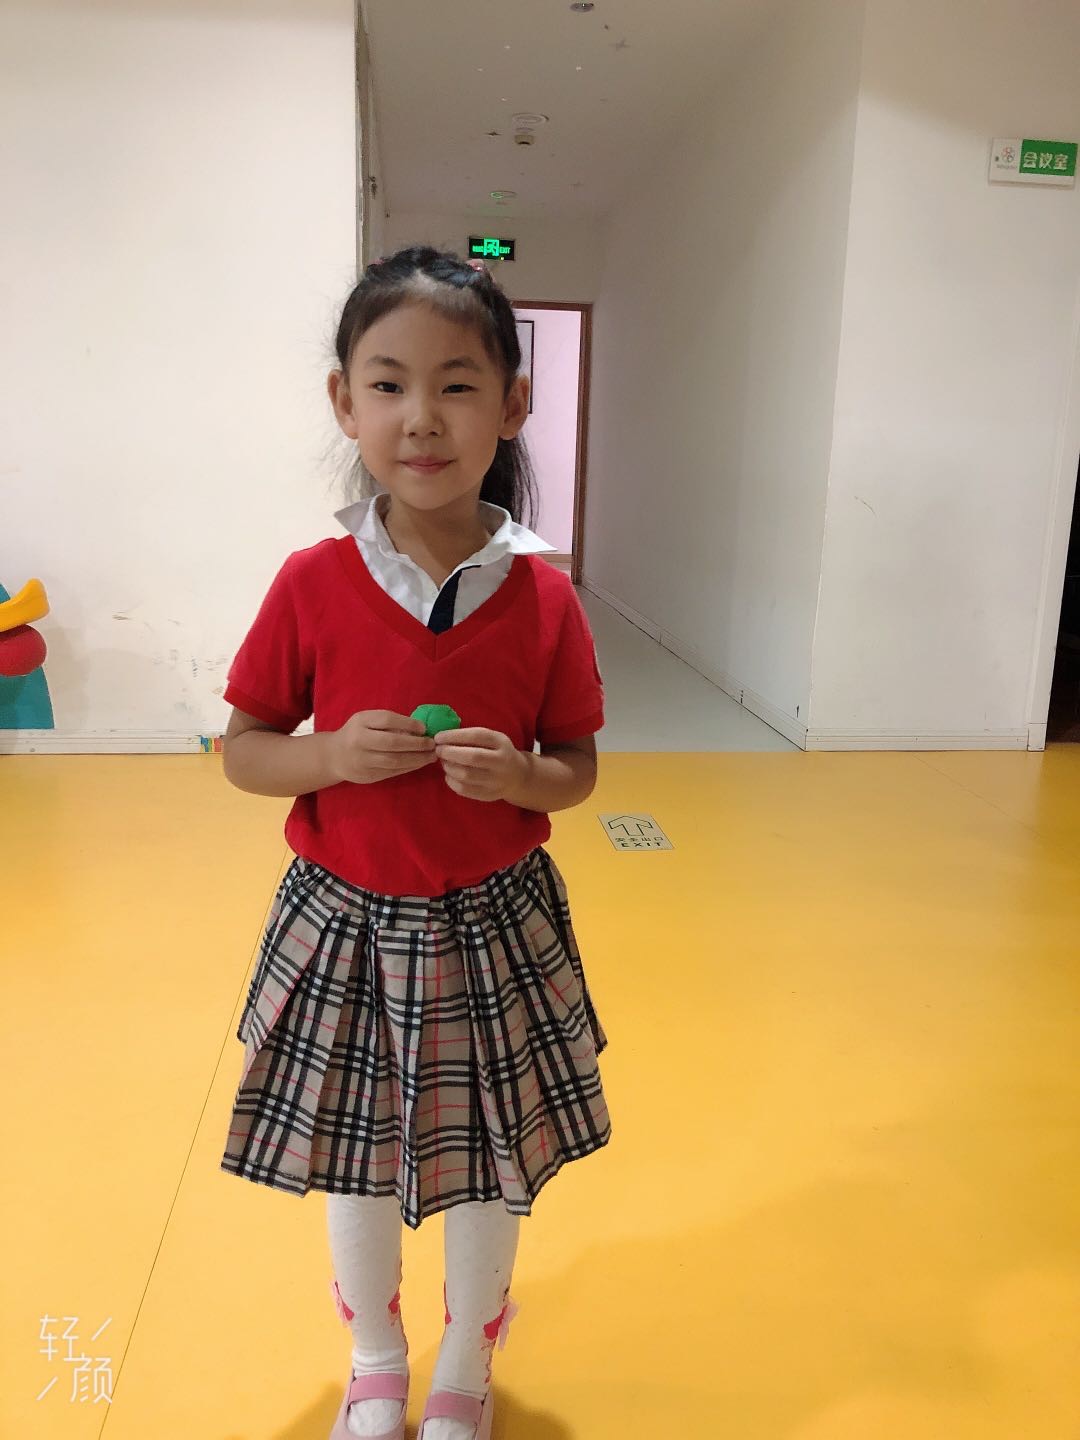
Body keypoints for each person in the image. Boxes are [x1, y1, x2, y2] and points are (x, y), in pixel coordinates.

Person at [218, 246, 612, 1440]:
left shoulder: (545, 597)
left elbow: (578, 767)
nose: (421, 417)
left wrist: (523, 777)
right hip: (344, 923)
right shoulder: (313, 581)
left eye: (457, 384)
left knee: (493, 1159)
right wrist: (332, 755)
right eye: (388, 384)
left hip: (495, 924)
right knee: (356, 1159)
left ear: (513, 405)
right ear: (345, 402)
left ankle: (465, 1370)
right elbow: (246, 751)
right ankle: (377, 1360)